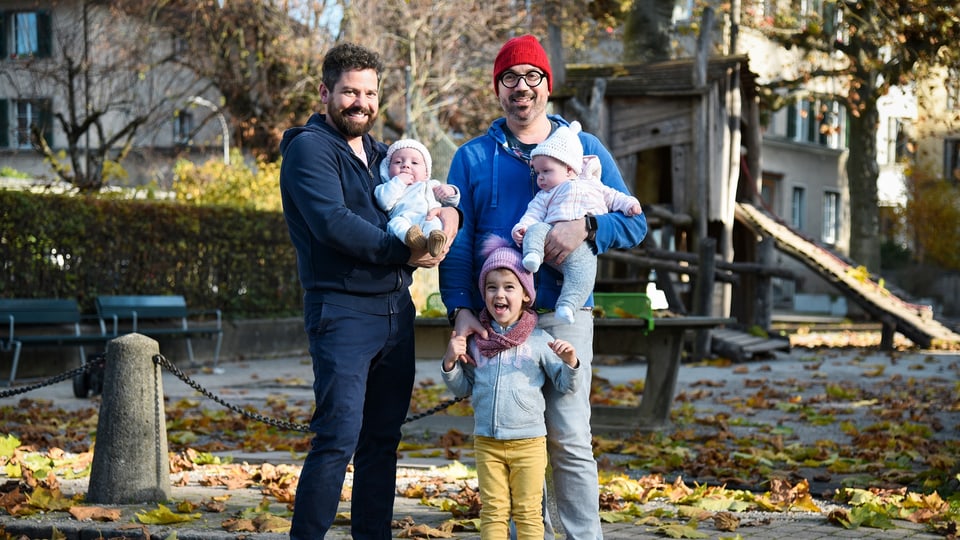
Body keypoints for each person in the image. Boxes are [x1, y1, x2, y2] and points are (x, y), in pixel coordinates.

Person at [439, 34, 648, 540]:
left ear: (547, 86)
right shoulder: (473, 158)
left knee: (570, 436)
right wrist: (460, 308)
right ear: (498, 90)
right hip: (498, 323)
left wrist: (589, 229)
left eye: (533, 77)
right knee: (510, 435)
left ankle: (581, 535)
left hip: (564, 316)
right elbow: (458, 240)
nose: (522, 88)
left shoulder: (585, 149)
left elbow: (635, 222)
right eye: (510, 78)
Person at [278, 42, 459, 540]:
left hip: (396, 311)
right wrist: (402, 253)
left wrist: (449, 217)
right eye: (349, 92)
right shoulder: (309, 150)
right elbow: (333, 224)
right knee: (337, 438)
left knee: (382, 440)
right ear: (325, 92)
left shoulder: (383, 155)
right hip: (342, 311)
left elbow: (429, 190)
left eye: (370, 93)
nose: (361, 102)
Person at [441, 237, 580, 540]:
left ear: (526, 295)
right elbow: (464, 387)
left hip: (528, 443)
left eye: (509, 287)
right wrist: (451, 362)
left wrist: (570, 362)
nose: (499, 294)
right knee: (493, 511)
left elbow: (564, 385)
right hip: (487, 442)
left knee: (529, 513)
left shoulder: (540, 342)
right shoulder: (478, 341)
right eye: (491, 287)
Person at [512, 121, 643, 325]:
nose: (540, 178)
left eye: (546, 171)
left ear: (569, 169)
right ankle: (533, 256)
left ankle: (567, 306)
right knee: (536, 229)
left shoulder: (594, 185)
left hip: (581, 250)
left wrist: (627, 206)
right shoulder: (547, 194)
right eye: (538, 173)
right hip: (546, 242)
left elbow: (617, 200)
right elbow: (533, 214)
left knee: (584, 274)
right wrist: (522, 228)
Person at [376, 138, 461, 257]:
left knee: (435, 224)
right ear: (388, 170)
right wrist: (398, 182)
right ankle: (412, 238)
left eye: (414, 163)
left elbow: (450, 203)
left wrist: (450, 191)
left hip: (427, 217)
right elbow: (384, 202)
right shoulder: (387, 186)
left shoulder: (431, 185)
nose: (405, 165)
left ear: (426, 173)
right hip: (403, 218)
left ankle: (435, 240)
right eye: (398, 162)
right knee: (396, 225)